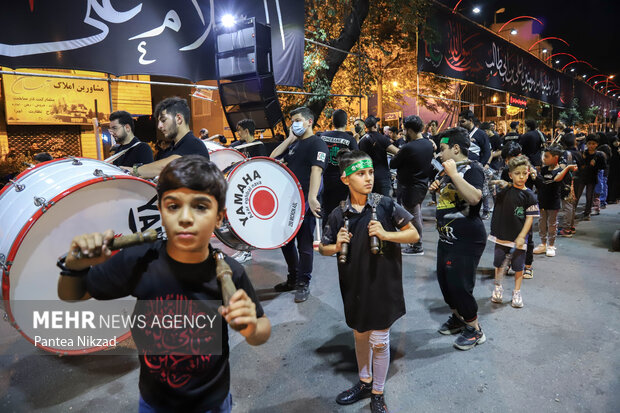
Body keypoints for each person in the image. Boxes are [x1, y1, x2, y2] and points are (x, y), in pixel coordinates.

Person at [57, 155, 271, 413]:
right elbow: (73, 295)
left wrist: (250, 328)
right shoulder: (139, 260)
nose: (185, 218)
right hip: (154, 402)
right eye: (173, 206)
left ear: (220, 218)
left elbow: (261, 329)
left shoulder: (229, 273)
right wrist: (75, 267)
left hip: (212, 402)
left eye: (200, 207)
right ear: (161, 210)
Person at [319, 149, 418, 413]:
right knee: (360, 335)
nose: (368, 178)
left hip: (383, 284)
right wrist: (336, 244)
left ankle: (377, 392)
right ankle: (364, 382)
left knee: (380, 341)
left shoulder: (385, 204)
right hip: (354, 285)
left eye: (371, 172)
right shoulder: (339, 214)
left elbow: (413, 234)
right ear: (345, 179)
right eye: (360, 173)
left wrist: (385, 234)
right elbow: (324, 248)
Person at [429, 127, 487, 351]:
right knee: (446, 283)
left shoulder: (473, 169)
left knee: (460, 286)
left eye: (443, 149)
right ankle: (458, 318)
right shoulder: (444, 171)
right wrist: (435, 187)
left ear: (455, 148)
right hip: (446, 238)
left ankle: (474, 329)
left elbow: (474, 198)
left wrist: (453, 175)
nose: (440, 154)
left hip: (467, 240)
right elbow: (445, 202)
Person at [270, 107, 328, 302]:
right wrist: (289, 139)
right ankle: (293, 278)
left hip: (305, 201)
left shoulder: (317, 144)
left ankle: (304, 282)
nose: (293, 123)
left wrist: (312, 198)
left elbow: (316, 171)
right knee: (286, 241)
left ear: (309, 121)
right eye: (292, 121)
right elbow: (273, 158)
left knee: (304, 243)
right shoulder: (295, 145)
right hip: (289, 200)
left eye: (297, 120)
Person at [488, 155, 539, 308]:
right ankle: (498, 287)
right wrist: (499, 183)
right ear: (510, 175)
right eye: (517, 173)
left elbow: (530, 218)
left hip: (519, 238)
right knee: (498, 263)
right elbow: (488, 186)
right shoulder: (504, 190)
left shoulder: (530, 195)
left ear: (529, 173)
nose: (521, 177)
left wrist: (522, 236)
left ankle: (517, 292)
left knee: (518, 266)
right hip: (501, 235)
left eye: (524, 173)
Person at [123, 97, 210, 179]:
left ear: (179, 119)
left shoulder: (195, 145)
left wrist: (133, 171)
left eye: (163, 120)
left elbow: (168, 166)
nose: (159, 126)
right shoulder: (168, 151)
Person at [390, 115, 434, 255]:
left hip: (410, 186)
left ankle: (417, 246)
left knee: (413, 217)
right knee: (417, 214)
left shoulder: (408, 147)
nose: (403, 133)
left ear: (409, 130)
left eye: (404, 130)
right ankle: (415, 243)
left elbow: (393, 163)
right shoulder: (428, 144)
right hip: (422, 184)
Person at [532, 146, 578, 257]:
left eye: (547, 156)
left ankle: (551, 245)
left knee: (552, 224)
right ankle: (543, 244)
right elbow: (540, 184)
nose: (544, 159)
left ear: (555, 157)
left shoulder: (561, 170)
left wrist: (566, 168)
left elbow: (557, 179)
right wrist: (534, 176)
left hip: (553, 201)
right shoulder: (544, 170)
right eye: (544, 156)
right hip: (542, 200)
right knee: (542, 222)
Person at [320, 109, 359, 223]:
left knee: (327, 211)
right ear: (346, 122)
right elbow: (356, 159)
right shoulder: (349, 139)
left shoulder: (323, 136)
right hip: (343, 181)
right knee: (343, 210)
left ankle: (327, 237)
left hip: (324, 179)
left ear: (333, 122)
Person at [359, 116, 399, 196]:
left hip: (367, 176)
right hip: (382, 175)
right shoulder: (382, 138)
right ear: (375, 126)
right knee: (383, 203)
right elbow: (397, 152)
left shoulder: (362, 141)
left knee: (370, 203)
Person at [574, 134, 606, 221]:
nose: (591, 145)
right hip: (582, 177)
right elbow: (578, 165)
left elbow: (603, 167)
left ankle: (587, 213)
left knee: (589, 196)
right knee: (577, 195)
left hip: (592, 178)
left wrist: (595, 165)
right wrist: (583, 162)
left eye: (593, 144)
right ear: (586, 144)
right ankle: (572, 212)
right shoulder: (583, 154)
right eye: (589, 143)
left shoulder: (599, 156)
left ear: (597, 144)